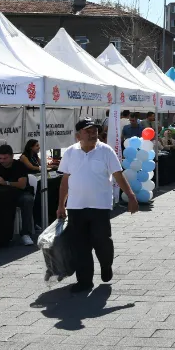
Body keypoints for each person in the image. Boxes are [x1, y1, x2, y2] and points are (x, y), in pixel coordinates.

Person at [57, 118, 139, 293]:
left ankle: (106, 264)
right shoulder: (70, 153)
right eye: (88, 131)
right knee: (80, 246)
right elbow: (65, 182)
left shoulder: (106, 151)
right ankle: (84, 281)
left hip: (100, 206)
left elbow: (118, 175)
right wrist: (61, 206)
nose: (93, 133)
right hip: (76, 207)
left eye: (95, 130)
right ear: (78, 135)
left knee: (102, 241)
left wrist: (131, 196)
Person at [0, 144, 36, 246]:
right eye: (0, 158)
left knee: (27, 200)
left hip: (20, 194)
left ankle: (26, 233)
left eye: (5, 158)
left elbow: (22, 185)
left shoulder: (20, 166)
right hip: (2, 193)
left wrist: (6, 183)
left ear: (12, 156)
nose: (2, 161)